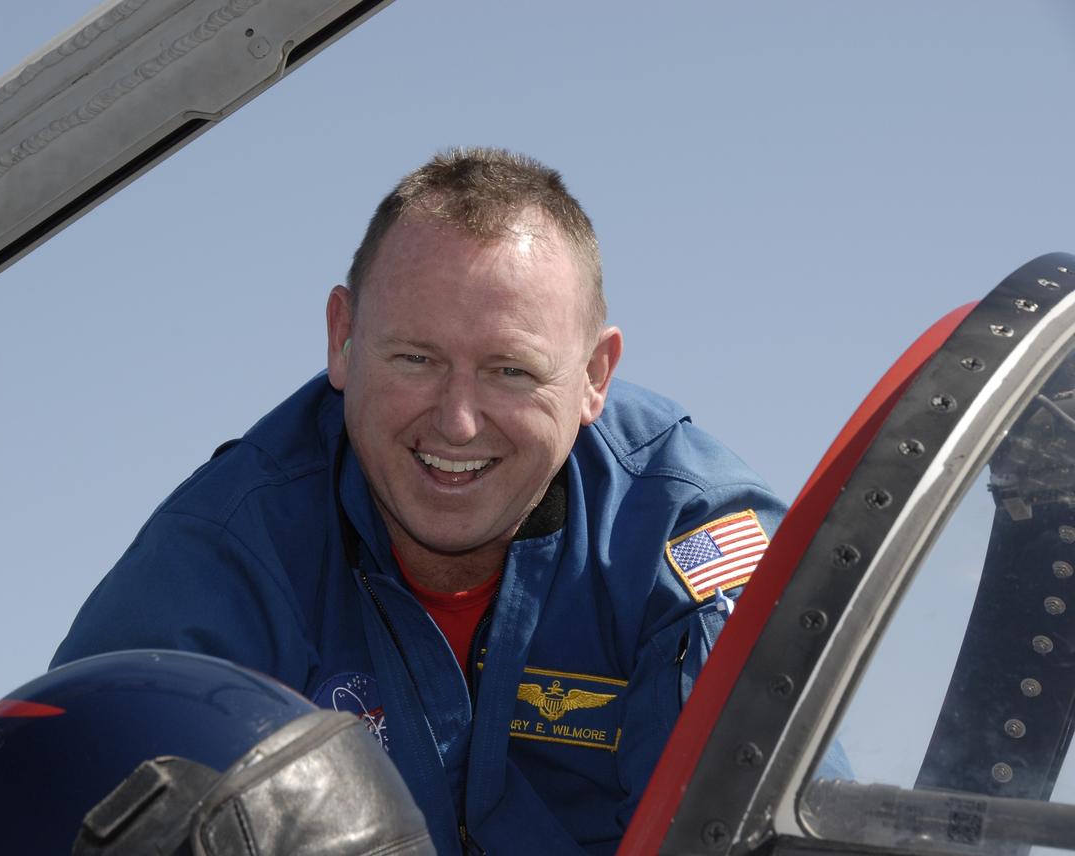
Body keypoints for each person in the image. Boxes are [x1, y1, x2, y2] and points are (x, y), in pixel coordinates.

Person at [53, 148, 785, 855]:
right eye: (416, 359)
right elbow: (65, 810)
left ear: (595, 374)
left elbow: (751, 828)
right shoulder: (225, 558)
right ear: (342, 340)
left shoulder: (682, 537)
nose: (458, 421)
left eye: (509, 370)